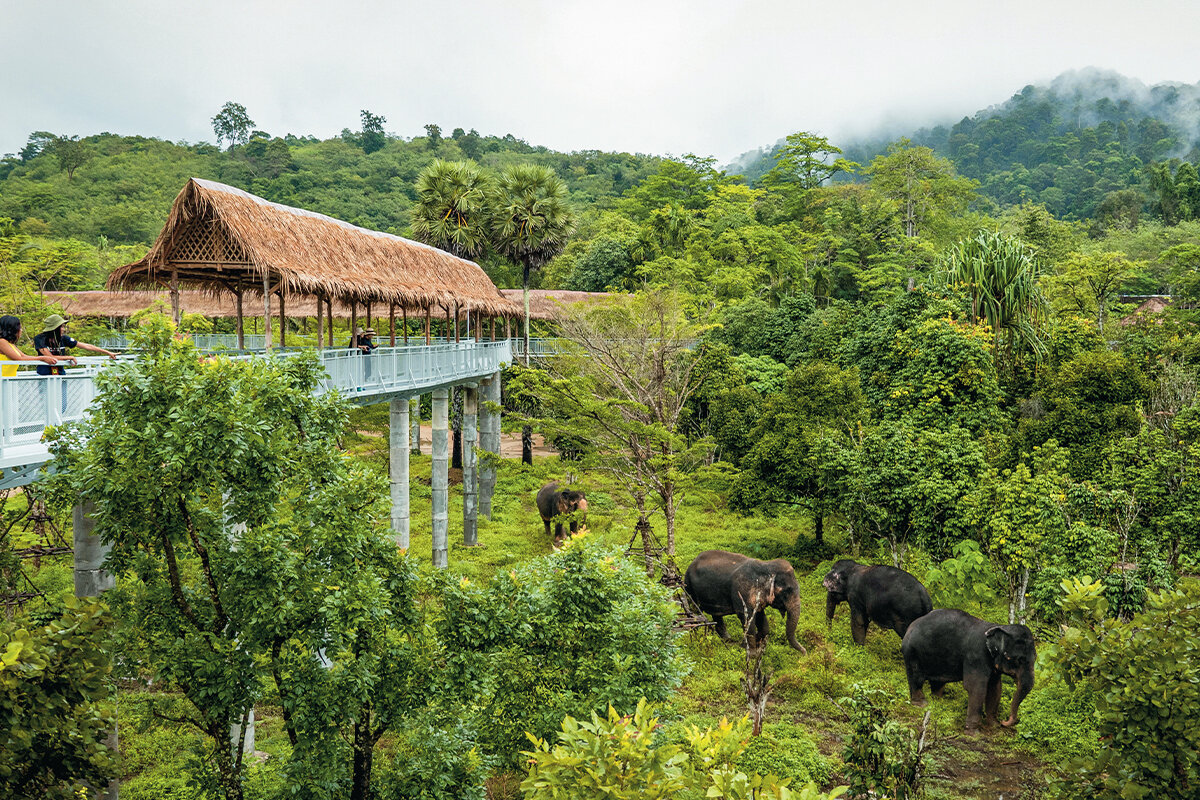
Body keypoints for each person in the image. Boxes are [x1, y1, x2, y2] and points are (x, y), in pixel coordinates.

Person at [33, 314, 117, 375]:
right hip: (44, 374)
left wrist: (107, 352)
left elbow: (86, 346)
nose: (63, 329)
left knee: (63, 399)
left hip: (60, 373)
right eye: (61, 327)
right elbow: (50, 357)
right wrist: (70, 357)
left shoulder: (63, 338)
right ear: (55, 328)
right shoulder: (40, 339)